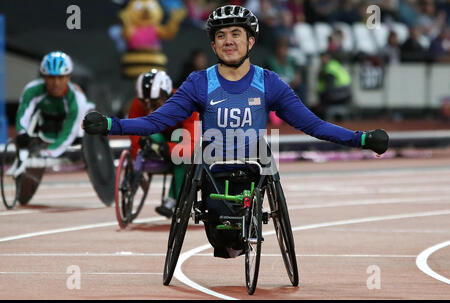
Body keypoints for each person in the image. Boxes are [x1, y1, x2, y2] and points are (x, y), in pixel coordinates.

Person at [83, 5, 389, 258]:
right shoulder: (198, 83)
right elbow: (156, 122)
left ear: (250, 41)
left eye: (236, 34)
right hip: (213, 167)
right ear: (213, 45)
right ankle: (227, 235)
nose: (229, 41)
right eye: (221, 36)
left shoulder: (270, 83)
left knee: (238, 234)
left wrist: (360, 139)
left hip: (253, 167)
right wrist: (112, 125)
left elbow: (313, 124)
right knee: (223, 240)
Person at [129, 69, 199, 218]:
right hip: (156, 138)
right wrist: (138, 169)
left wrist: (168, 148)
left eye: (154, 104)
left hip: (179, 140)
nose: (148, 110)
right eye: (144, 104)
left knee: (181, 146)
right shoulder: (137, 105)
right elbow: (135, 140)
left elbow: (191, 144)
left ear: (167, 97)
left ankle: (173, 199)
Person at [14, 51, 94, 175]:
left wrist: (46, 154)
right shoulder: (32, 90)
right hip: (47, 125)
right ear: (43, 77)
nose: (56, 83)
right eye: (51, 77)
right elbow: (23, 115)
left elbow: (68, 134)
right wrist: (23, 134)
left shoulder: (77, 99)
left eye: (61, 77)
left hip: (75, 129)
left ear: (68, 77)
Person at [316, 51, 352, 122]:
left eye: (323, 58)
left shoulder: (330, 68)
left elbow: (329, 85)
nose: (322, 60)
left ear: (328, 58)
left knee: (323, 93)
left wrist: (321, 96)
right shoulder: (334, 65)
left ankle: (322, 118)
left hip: (339, 92)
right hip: (345, 92)